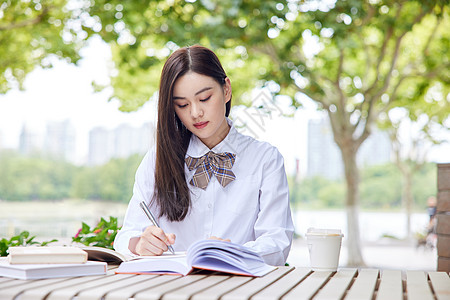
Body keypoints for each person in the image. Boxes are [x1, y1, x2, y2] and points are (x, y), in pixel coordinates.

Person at [114, 45, 294, 265]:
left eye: (205, 98)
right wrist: (140, 244)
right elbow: (125, 236)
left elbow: (277, 242)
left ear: (226, 90)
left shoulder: (265, 159)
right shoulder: (157, 159)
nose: (195, 113)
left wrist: (232, 253)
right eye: (182, 104)